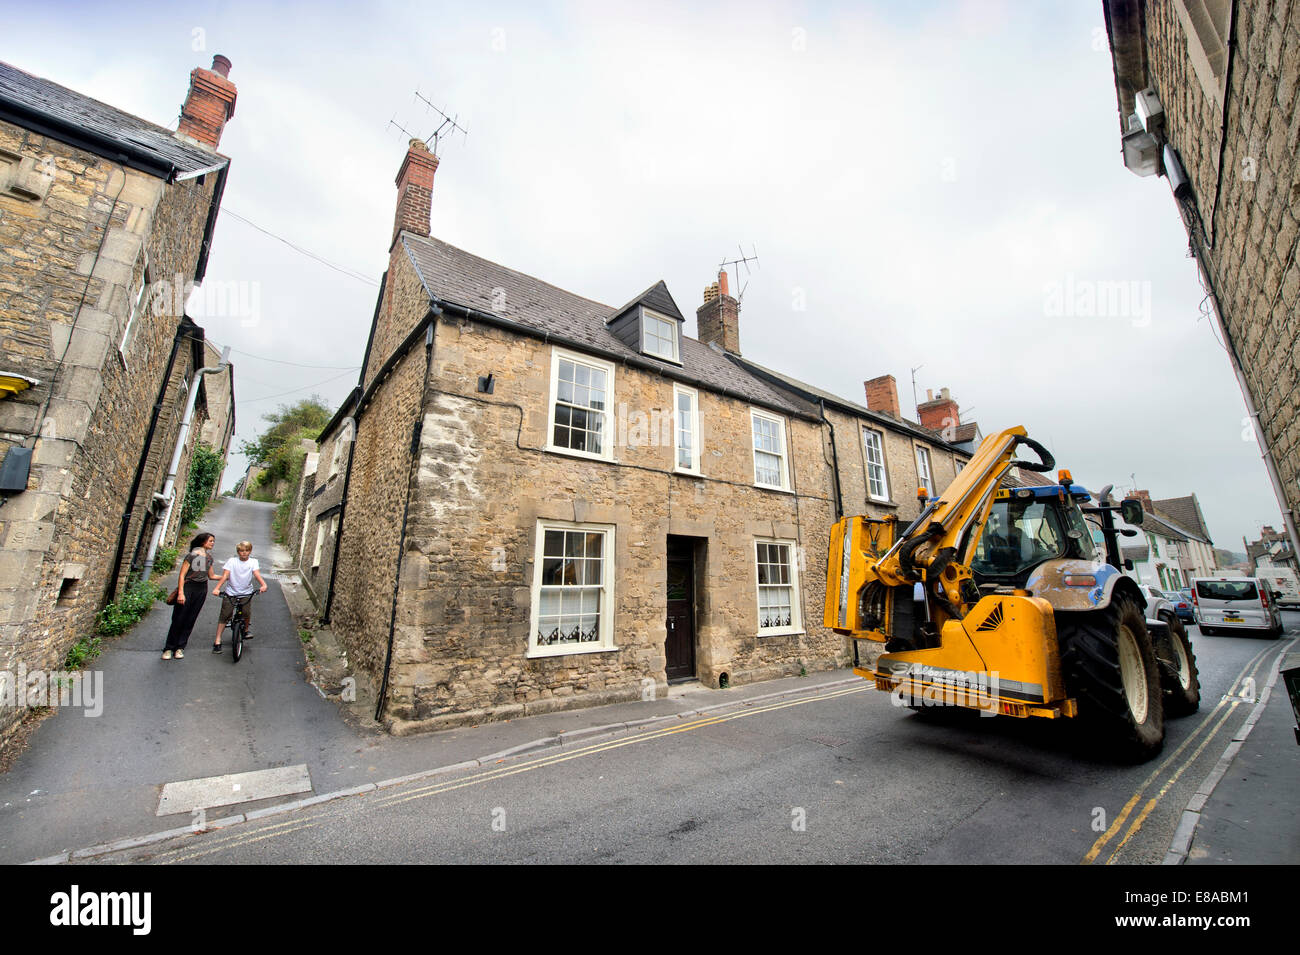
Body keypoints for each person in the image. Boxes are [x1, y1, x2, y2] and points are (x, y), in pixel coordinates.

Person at [162, 532, 219, 660]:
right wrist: (181, 593)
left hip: (201, 589)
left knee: (190, 619)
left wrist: (227, 576)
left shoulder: (209, 558)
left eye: (213, 541)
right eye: (210, 541)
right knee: (179, 618)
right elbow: (182, 575)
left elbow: (212, 576)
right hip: (188, 587)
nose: (212, 543)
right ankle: (168, 648)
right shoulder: (191, 556)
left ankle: (180, 647)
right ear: (202, 541)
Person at [211, 539, 268, 652]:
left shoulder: (253, 562)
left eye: (247, 550)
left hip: (246, 592)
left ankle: (246, 630)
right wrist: (217, 588)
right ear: (238, 552)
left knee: (246, 613)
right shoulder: (232, 561)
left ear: (250, 551)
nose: (244, 553)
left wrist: (263, 584)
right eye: (241, 551)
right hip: (231, 592)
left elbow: (256, 574)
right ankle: (217, 640)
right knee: (225, 615)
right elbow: (225, 575)